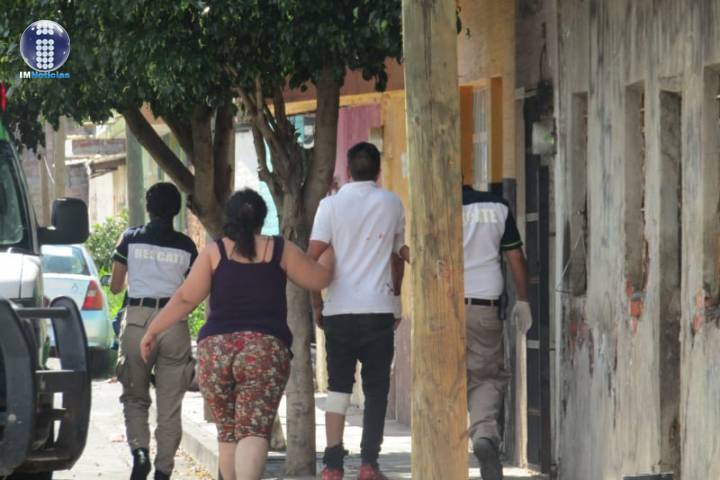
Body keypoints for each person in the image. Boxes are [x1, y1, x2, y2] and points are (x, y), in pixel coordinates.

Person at [139, 188, 334, 480]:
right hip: (263, 351)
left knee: (228, 432)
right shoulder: (279, 249)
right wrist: (330, 250)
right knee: (253, 431)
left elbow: (185, 299)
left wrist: (152, 330)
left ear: (228, 218)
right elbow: (319, 278)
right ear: (262, 219)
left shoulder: (214, 252)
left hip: (215, 352)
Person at [308, 142, 409, 480]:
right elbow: (398, 257)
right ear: (379, 171)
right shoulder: (392, 202)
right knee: (377, 390)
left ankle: (332, 465)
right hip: (378, 311)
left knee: (338, 388)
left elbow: (312, 257)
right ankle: (368, 464)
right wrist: (395, 301)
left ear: (348, 171)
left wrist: (318, 303)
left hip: (338, 312)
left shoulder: (329, 205)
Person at [109, 182, 198, 480]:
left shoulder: (130, 239)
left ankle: (140, 454)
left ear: (148, 208)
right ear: (176, 210)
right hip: (174, 323)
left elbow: (115, 286)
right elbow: (194, 290)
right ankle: (163, 471)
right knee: (169, 406)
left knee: (135, 397)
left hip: (137, 321)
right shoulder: (187, 246)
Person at [461, 184, 532, 480]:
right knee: (486, 376)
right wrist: (524, 300)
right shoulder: (497, 207)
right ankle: (484, 435)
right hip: (483, 307)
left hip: (440, 307)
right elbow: (515, 257)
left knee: (443, 376)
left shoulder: (429, 205)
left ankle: (443, 449)